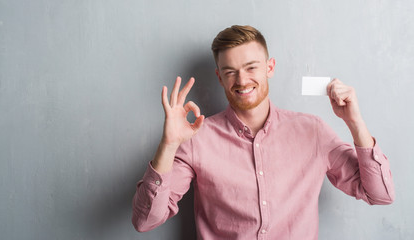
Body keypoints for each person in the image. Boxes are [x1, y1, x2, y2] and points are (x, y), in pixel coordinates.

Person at [132, 25, 394, 239]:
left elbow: (380, 195)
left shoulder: (312, 131)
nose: (242, 80)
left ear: (270, 67)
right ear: (220, 78)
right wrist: (168, 145)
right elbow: (145, 222)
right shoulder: (197, 138)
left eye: (251, 67)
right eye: (230, 72)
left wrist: (355, 122)